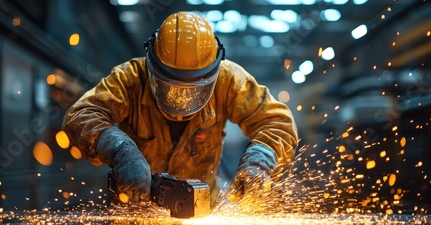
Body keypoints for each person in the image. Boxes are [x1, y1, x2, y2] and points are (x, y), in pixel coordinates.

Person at [62, 11, 298, 208]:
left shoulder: (229, 81)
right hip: (136, 212)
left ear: (214, 74)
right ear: (151, 66)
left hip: (202, 210)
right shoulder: (131, 79)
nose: (181, 101)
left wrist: (259, 161)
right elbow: (80, 116)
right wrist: (120, 150)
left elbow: (277, 123)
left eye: (194, 90)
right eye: (169, 87)